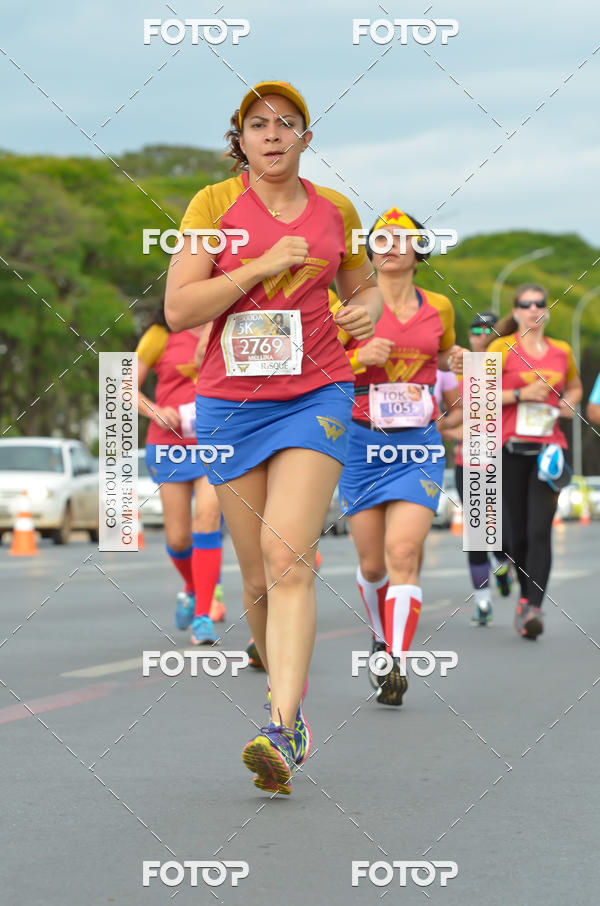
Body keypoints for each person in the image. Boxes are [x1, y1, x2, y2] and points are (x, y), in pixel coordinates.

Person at [164, 81, 382, 793]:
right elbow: (179, 308)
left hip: (317, 392)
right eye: (258, 124)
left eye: (287, 123)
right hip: (232, 403)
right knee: (256, 573)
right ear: (242, 139)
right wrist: (259, 266)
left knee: (288, 556)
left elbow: (363, 287)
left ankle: (284, 728)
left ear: (306, 139)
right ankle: (280, 700)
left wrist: (364, 314)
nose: (273, 134)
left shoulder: (336, 210)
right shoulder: (211, 206)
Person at [337, 207, 466, 706]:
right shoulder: (351, 306)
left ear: (419, 250)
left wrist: (456, 361)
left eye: (401, 239)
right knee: (373, 566)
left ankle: (396, 659)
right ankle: (379, 636)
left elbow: (443, 355)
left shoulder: (440, 307)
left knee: (404, 554)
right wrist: (356, 359)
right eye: (381, 240)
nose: (390, 248)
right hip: (361, 444)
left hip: (418, 445)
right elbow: (316, 369)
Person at [487, 284, 582, 639]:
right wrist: (519, 394)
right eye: (525, 304)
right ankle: (524, 594)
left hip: (549, 450)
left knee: (540, 530)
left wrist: (569, 402)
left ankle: (533, 607)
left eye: (539, 303)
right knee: (515, 535)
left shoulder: (561, 350)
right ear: (515, 312)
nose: (533, 309)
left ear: (547, 309)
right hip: (510, 449)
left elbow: (574, 386)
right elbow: (477, 394)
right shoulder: (501, 348)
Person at [136, 303, 226, 645]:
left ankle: (203, 616)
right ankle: (192, 586)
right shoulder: (160, 334)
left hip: (216, 442)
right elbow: (122, 386)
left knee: (207, 519)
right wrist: (155, 411)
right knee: (177, 538)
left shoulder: (228, 324)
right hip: (169, 445)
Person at [441, 311, 513, 625]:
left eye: (489, 330)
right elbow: (444, 423)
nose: (482, 335)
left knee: (505, 532)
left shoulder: (509, 368)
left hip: (506, 459)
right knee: (477, 533)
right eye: (476, 330)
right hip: (469, 461)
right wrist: (463, 434)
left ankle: (502, 562)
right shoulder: (457, 371)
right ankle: (483, 603)